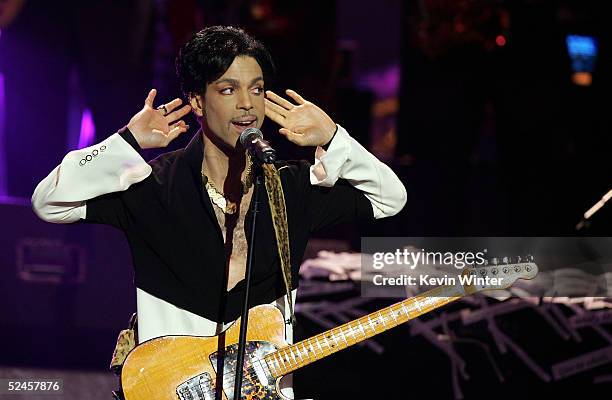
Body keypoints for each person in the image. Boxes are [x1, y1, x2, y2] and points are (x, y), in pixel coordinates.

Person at [31, 25, 407, 399]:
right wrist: (126, 142)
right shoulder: (153, 188)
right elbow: (48, 200)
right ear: (196, 101)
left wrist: (333, 137)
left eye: (257, 89)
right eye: (228, 90)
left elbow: (391, 198)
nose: (248, 104)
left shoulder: (291, 190)